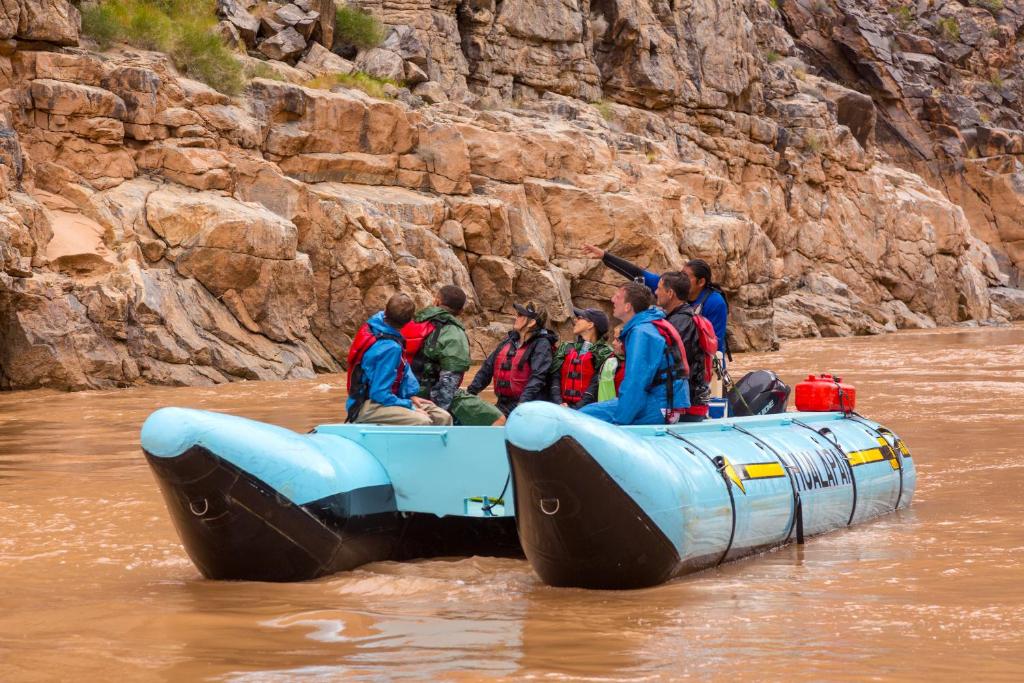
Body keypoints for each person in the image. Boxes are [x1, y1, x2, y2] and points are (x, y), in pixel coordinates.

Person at [581, 244, 729, 360]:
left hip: (705, 364)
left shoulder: (715, 302)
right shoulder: (672, 288)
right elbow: (638, 273)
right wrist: (605, 256)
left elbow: (715, 343)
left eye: (686, 276)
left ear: (701, 281)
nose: (657, 292)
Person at [579, 282, 690, 425]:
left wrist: (620, 422)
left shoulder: (642, 333)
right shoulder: (650, 324)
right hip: (664, 402)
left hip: (659, 405)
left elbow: (635, 382)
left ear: (628, 307)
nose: (612, 299)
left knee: (584, 416)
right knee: (593, 411)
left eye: (617, 297)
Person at [401, 285, 505, 426]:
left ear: (436, 301)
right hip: (428, 394)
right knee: (497, 418)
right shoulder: (454, 333)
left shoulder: (411, 322)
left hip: (402, 390)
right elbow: (449, 382)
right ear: (461, 311)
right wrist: (439, 413)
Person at [345, 293, 452, 426]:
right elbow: (379, 394)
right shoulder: (390, 348)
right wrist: (408, 405)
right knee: (422, 421)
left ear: (385, 310)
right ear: (408, 322)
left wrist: (410, 395)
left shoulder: (378, 324)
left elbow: (403, 369)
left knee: (443, 417)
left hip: (385, 400)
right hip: (366, 405)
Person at [467, 301, 558, 417]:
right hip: (503, 404)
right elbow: (487, 369)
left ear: (532, 322)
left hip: (528, 407)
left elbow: (538, 377)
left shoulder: (542, 345)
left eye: (520, 315)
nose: (516, 318)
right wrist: (470, 393)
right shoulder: (509, 342)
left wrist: (523, 403)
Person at [655, 271, 712, 420]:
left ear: (670, 293)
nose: (656, 292)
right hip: (693, 400)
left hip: (685, 404)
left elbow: (668, 362)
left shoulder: (679, 323)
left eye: (659, 288)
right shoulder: (684, 317)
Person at [549, 307, 614, 409]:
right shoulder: (566, 347)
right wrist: (559, 403)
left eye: (580, 318)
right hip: (560, 407)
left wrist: (575, 408)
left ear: (590, 325)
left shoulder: (604, 352)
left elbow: (595, 385)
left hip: (587, 410)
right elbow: (555, 378)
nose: (575, 320)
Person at [596, 325, 625, 402]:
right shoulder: (611, 360)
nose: (613, 343)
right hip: (605, 408)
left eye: (617, 340)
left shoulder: (634, 366)